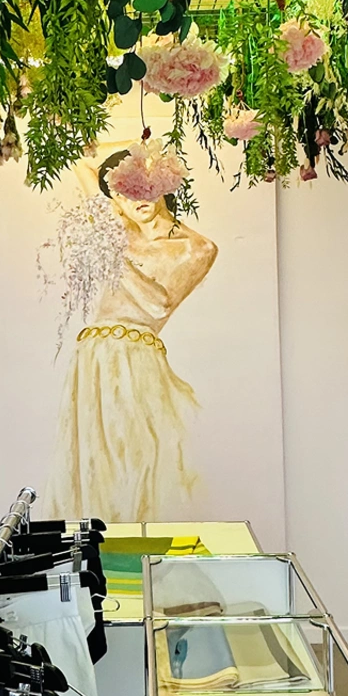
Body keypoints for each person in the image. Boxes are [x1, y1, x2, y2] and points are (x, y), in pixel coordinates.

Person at [43, 146, 217, 522]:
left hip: (136, 358)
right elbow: (82, 162)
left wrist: (148, 160)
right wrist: (136, 156)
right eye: (123, 191)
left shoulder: (196, 248)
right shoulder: (113, 227)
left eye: (144, 186)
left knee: (138, 463)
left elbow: (158, 303)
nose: (136, 197)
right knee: (90, 469)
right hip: (92, 360)